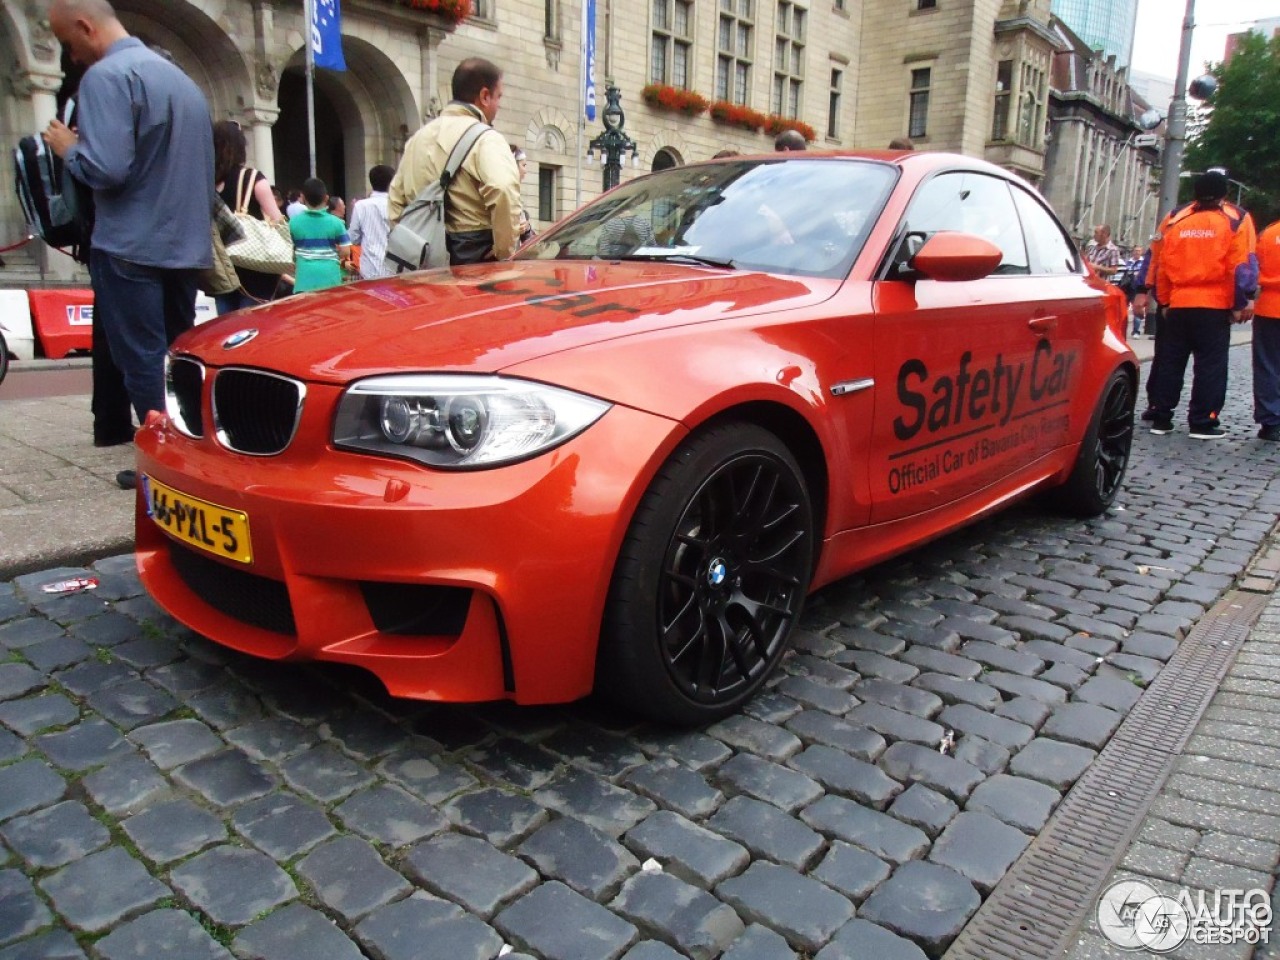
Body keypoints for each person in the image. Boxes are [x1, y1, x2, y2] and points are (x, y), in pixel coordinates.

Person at [43, 0, 214, 490]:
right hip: (184, 244)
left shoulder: (105, 77)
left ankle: (169, 466)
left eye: (70, 44)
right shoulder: (183, 82)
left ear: (84, 26)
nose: (73, 57)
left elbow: (106, 168)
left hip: (130, 243)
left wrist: (69, 149)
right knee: (178, 355)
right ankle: (196, 454)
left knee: (140, 357)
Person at [1133, 169, 1258, 439]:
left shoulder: (1176, 219)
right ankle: (1202, 421)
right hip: (1214, 304)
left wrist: (1164, 301)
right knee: (1210, 366)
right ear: (1224, 194)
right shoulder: (1235, 220)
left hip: (1178, 303)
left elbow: (1161, 265)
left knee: (1169, 362)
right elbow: (1239, 267)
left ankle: (1161, 416)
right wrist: (1240, 301)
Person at [388, 57, 522, 265]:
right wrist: (504, 251)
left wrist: (410, 243)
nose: (498, 106)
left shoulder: (417, 139)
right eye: (498, 97)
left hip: (424, 256)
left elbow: (396, 201)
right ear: (484, 96)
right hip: (473, 256)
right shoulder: (487, 139)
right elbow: (502, 188)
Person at [212, 119, 286, 314]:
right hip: (255, 265)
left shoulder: (207, 179)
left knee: (226, 321)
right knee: (252, 322)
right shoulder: (253, 178)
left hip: (222, 264)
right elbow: (277, 219)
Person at [290, 177, 351, 293]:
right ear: (326, 198)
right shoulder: (337, 223)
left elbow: (289, 248)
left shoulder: (293, 222)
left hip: (304, 279)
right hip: (330, 278)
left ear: (302, 198)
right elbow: (346, 251)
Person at [1253, 218, 1280, 440]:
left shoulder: (1269, 234)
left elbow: (1253, 265)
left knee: (1267, 365)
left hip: (1270, 306)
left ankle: (1270, 422)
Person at [348, 164, 395, 280]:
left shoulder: (360, 206)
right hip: (394, 267)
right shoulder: (397, 205)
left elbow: (353, 237)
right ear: (392, 182)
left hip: (369, 268)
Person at [511, 146, 535, 244]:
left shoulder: (516, 194)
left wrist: (527, 227)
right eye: (523, 165)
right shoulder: (506, 193)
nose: (526, 170)